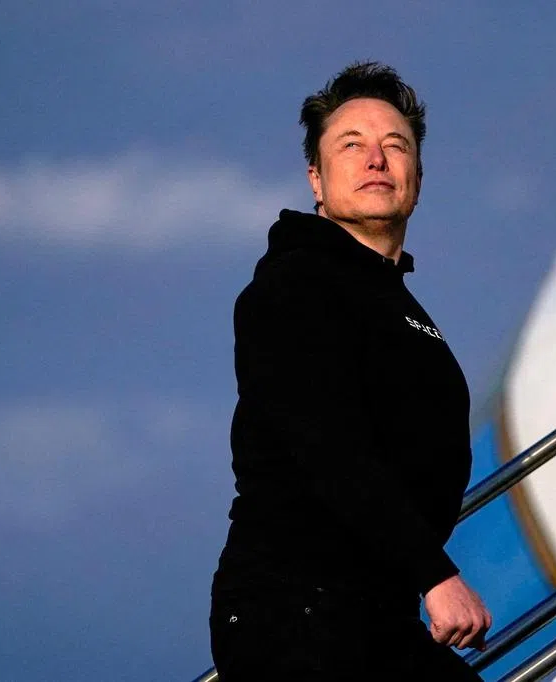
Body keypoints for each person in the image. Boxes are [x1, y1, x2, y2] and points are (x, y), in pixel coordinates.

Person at [210, 61, 491, 681]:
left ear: (418, 178)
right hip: (297, 609)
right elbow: (325, 443)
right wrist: (436, 574)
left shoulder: (394, 302)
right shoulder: (295, 284)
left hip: (374, 612)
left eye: (396, 145)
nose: (376, 159)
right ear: (316, 178)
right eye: (352, 145)